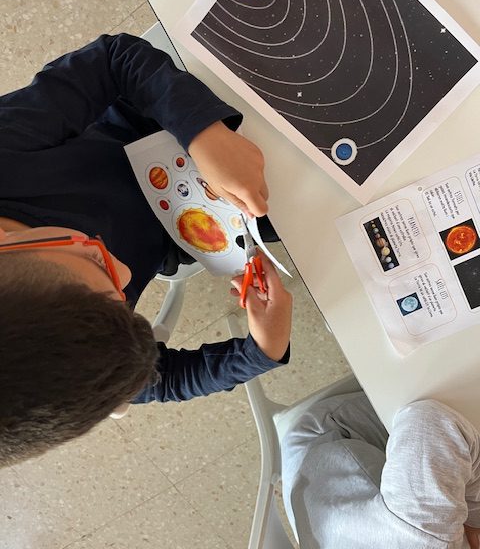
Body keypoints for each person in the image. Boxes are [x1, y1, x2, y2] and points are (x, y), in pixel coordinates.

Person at [0, 33, 292, 468]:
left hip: (156, 120)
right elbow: (162, 379)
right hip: (196, 226)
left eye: (94, 257)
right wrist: (261, 350)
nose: (125, 273)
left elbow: (113, 59)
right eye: (123, 302)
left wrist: (201, 133)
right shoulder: (74, 363)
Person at [281, 391, 480, 549]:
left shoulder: (425, 533)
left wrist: (475, 518)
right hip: (322, 504)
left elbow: (432, 421)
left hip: (334, 434)